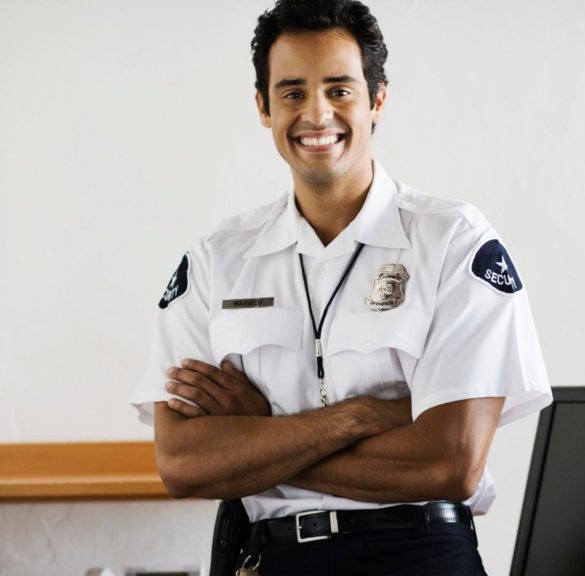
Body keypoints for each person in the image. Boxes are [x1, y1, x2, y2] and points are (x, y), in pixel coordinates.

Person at [129, 1, 551, 574]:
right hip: (271, 558)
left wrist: (258, 436)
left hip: (419, 554)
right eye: (293, 92)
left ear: (377, 99)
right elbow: (183, 464)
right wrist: (358, 418)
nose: (317, 114)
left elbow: (449, 463)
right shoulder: (215, 260)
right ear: (264, 107)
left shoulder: (454, 242)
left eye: (340, 89)